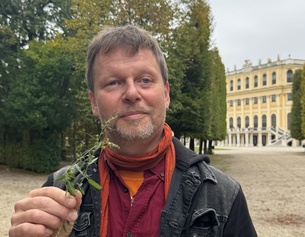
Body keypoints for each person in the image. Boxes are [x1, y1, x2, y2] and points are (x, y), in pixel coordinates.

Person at [9, 25, 257, 237]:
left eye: (145, 80)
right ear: (94, 102)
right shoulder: (60, 188)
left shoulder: (223, 196)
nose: (131, 93)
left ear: (166, 93)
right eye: (113, 82)